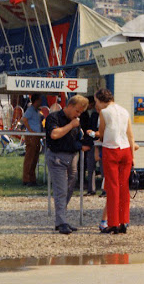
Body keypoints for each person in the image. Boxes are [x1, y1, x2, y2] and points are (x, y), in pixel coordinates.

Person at [45, 95, 90, 235]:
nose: (78, 115)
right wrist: (71, 125)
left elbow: (76, 137)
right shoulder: (53, 117)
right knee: (61, 190)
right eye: (77, 111)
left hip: (72, 157)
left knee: (70, 188)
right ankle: (62, 221)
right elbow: (54, 134)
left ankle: (61, 220)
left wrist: (84, 142)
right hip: (57, 157)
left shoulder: (76, 121)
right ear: (69, 106)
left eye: (80, 112)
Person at [94, 88, 136, 234]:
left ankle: (113, 223)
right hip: (125, 150)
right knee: (124, 187)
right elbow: (130, 135)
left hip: (111, 149)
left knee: (112, 187)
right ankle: (124, 221)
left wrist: (94, 134)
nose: (96, 105)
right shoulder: (125, 111)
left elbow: (102, 133)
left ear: (100, 100)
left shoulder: (104, 113)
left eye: (96, 101)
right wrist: (133, 156)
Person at [21, 93, 45, 186]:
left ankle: (32, 178)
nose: (41, 101)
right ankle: (26, 179)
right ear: (36, 100)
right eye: (40, 100)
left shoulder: (36, 111)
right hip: (31, 136)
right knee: (29, 157)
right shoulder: (30, 110)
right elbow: (24, 119)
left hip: (37, 136)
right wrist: (30, 130)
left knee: (35, 157)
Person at [79, 96, 100, 195]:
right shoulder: (94, 115)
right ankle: (91, 189)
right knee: (91, 167)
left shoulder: (100, 116)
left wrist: (93, 134)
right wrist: (92, 134)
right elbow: (91, 130)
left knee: (102, 169)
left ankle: (104, 190)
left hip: (101, 143)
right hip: (94, 143)